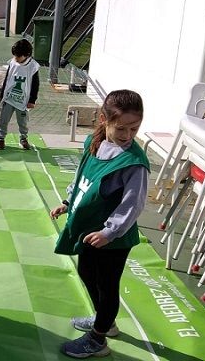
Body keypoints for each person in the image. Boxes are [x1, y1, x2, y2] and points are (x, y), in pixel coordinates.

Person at [51, 89, 149, 359]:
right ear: (104, 119)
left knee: (107, 285)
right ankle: (105, 320)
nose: (128, 135)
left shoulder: (134, 163)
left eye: (134, 129)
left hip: (113, 239)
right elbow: (83, 176)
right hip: (90, 230)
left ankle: (98, 338)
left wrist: (110, 231)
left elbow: (133, 204)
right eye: (122, 128)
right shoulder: (94, 143)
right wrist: (69, 201)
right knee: (86, 272)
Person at [0, 39, 39, 150]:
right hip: (9, 98)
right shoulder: (12, 63)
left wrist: (32, 100)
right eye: (15, 55)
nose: (16, 58)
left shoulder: (33, 66)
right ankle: (1, 138)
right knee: (3, 119)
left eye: (18, 56)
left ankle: (23, 139)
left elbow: (35, 85)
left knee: (23, 122)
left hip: (22, 100)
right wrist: (2, 95)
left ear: (27, 55)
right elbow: (7, 79)